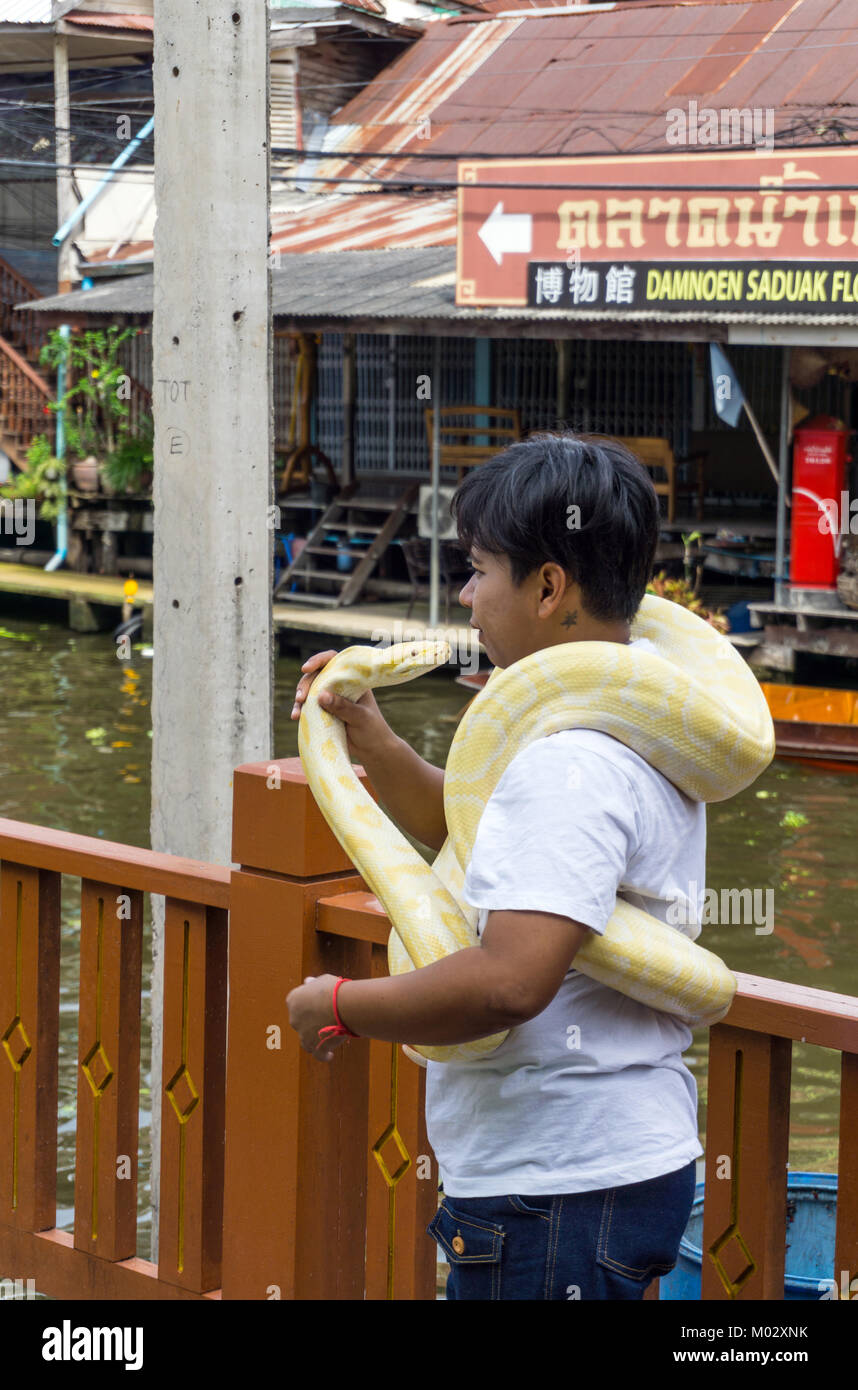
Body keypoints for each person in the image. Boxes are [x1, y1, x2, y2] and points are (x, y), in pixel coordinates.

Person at [286, 433, 703, 1301]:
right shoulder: (636, 719)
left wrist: (340, 1005)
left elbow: (511, 983)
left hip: (555, 1183)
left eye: (479, 571)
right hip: (609, 1167)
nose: (467, 598)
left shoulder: (569, 760)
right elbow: (482, 836)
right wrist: (373, 734)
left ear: (549, 587)